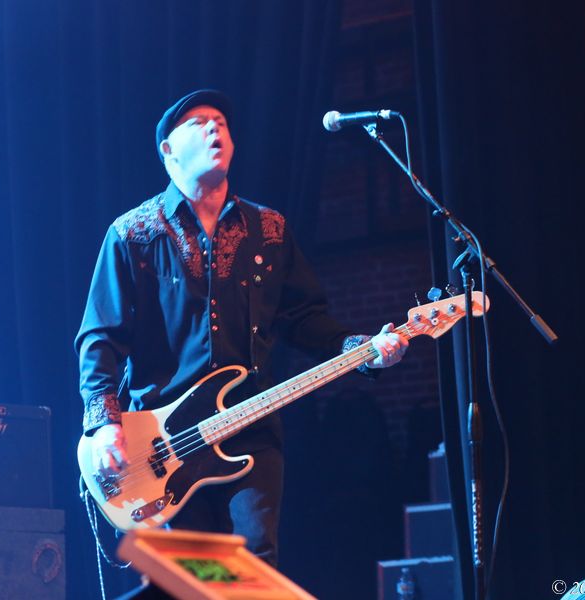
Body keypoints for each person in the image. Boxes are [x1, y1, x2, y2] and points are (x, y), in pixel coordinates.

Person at [75, 89, 407, 566]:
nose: (215, 128)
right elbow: (99, 337)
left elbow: (304, 318)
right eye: (198, 123)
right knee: (194, 576)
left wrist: (363, 348)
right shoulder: (132, 233)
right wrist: (105, 424)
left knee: (255, 564)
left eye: (222, 123)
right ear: (167, 150)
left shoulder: (268, 229)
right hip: (163, 444)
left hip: (250, 428)